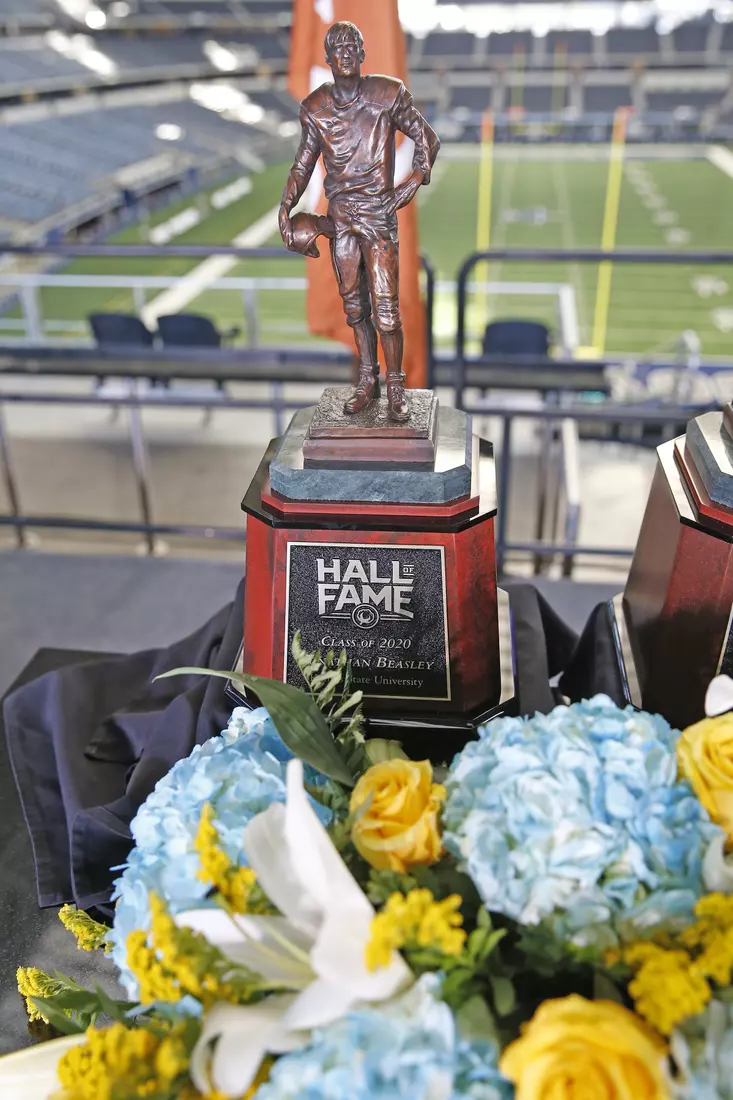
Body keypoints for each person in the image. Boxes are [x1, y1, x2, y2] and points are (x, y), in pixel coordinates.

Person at [279, 20, 440, 422]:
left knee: (386, 311)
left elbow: (427, 138)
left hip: (379, 216)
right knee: (355, 310)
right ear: (328, 57)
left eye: (353, 46)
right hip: (341, 220)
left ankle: (397, 386)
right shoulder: (316, 109)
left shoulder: (387, 94)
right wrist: (286, 206)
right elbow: (303, 163)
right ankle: (369, 380)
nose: (347, 53)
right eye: (339, 47)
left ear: (363, 54)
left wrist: (415, 179)